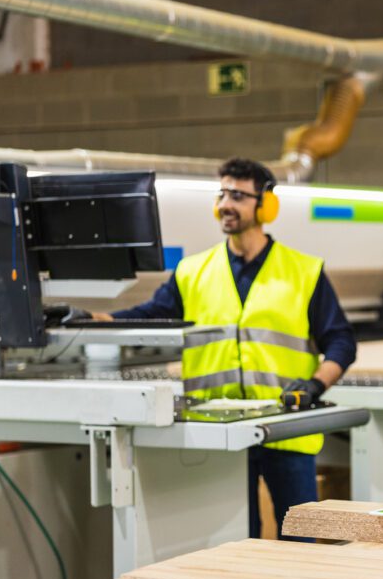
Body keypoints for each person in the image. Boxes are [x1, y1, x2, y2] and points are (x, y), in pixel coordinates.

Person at [96, 157, 356, 540]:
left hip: (285, 426)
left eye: (237, 195)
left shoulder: (303, 271)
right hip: (218, 430)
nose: (224, 204)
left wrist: (313, 388)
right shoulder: (193, 271)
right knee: (233, 541)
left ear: (265, 205)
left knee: (300, 542)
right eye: (221, 193)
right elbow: (152, 315)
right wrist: (101, 322)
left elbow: (341, 342)